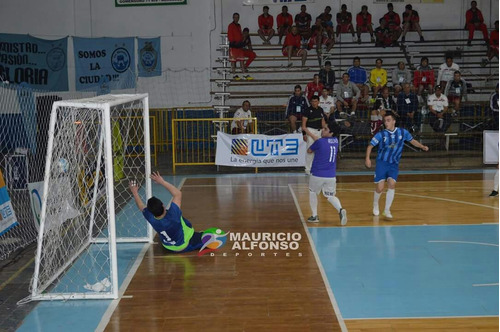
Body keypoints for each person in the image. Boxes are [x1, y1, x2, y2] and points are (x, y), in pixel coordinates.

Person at [365, 112, 429, 219]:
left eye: (388, 120)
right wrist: (367, 158)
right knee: (380, 188)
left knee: (392, 184)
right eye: (385, 121)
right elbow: (370, 146)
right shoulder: (381, 134)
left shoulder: (402, 132)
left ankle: (387, 210)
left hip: (394, 164)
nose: (386, 123)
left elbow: (412, 141)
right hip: (382, 163)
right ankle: (375, 205)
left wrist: (422, 146)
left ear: (394, 121)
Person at [129, 172, 203, 253]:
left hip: (168, 247)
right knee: (212, 236)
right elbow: (178, 194)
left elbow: (141, 206)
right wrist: (162, 182)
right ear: (163, 205)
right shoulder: (173, 215)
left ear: (150, 211)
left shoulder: (150, 217)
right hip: (184, 245)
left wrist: (135, 192)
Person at [304, 121, 347, 225]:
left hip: (317, 174)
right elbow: (325, 144)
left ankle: (314, 216)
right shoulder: (336, 141)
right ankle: (340, 210)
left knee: (312, 192)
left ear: (331, 132)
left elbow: (309, 151)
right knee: (330, 196)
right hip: (331, 175)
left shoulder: (320, 142)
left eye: (326, 129)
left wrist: (315, 140)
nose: (323, 130)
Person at [302, 95, 326, 175]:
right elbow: (304, 126)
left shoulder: (320, 110)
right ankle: (308, 169)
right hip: (310, 130)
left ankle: (318, 167)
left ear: (318, 102)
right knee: (310, 150)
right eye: (312, 101)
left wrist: (325, 129)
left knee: (319, 150)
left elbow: (322, 121)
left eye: (316, 101)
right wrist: (310, 135)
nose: (314, 103)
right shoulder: (307, 110)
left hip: (319, 131)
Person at [228, 13, 256, 79]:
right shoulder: (231, 25)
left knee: (242, 60)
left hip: (239, 45)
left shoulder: (239, 26)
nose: (236, 19)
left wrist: (242, 42)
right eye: (235, 17)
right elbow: (230, 35)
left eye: (237, 17)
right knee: (233, 61)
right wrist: (234, 43)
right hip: (234, 45)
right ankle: (234, 75)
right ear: (233, 18)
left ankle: (244, 74)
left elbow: (240, 35)